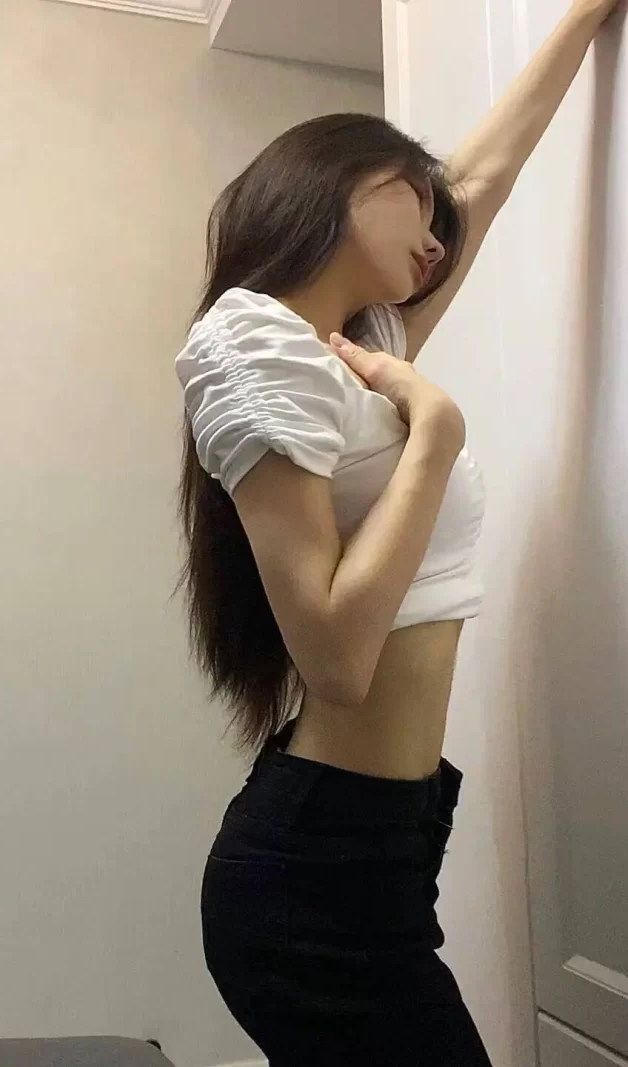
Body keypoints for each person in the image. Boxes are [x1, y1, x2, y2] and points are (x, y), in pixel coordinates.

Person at [174, 1, 622, 1063]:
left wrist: (581, 16)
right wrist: (435, 436)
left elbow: (483, 176)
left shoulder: (349, 354)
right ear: (333, 180)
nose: (435, 234)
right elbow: (334, 659)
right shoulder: (252, 340)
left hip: (380, 844)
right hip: (314, 877)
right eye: (412, 198)